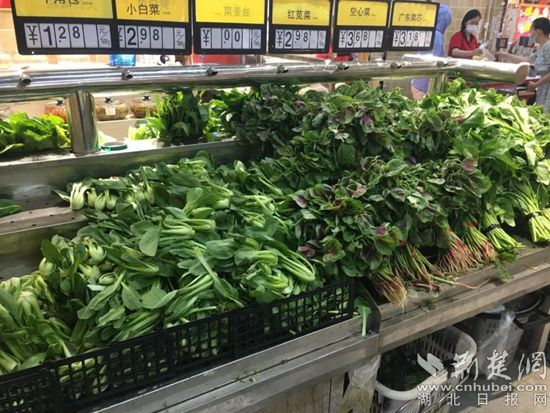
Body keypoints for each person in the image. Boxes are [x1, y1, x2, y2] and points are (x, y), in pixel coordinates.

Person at [497, 17, 550, 113]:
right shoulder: (542, 48)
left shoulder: (548, 47)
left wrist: (536, 84)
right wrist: (505, 55)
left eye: (531, 30)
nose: (530, 34)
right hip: (543, 88)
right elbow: (527, 60)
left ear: (538, 31)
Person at [411, 4, 452, 99]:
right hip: (423, 86)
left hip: (417, 82)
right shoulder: (437, 36)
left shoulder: (428, 32)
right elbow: (433, 63)